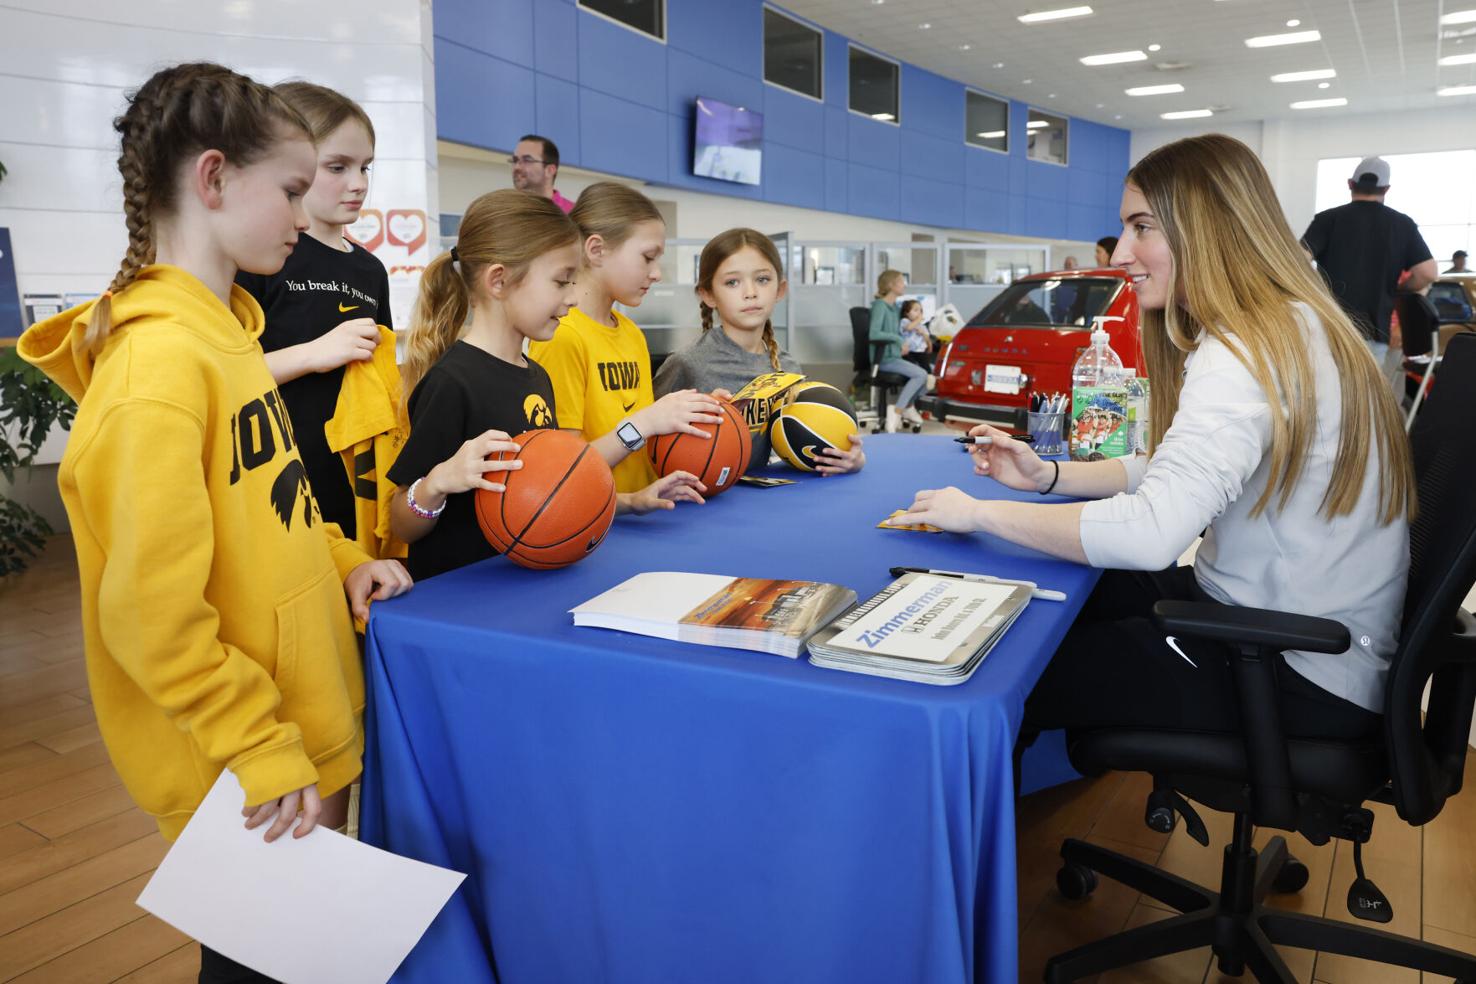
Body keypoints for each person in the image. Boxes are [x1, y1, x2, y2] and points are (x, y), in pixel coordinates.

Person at [16, 62, 413, 984]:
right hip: (245, 767)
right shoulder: (155, 371)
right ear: (212, 178)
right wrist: (260, 747)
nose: (305, 208)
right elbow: (151, 615)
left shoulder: (228, 332)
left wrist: (346, 558)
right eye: (291, 187)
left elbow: (277, 500)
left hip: (295, 726)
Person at [896, 133, 1413, 745]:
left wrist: (979, 512)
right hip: (1275, 619)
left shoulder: (1245, 349)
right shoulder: (1288, 325)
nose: (1120, 253)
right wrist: (1049, 476)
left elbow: (1150, 533)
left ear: (1210, 227)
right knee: (1045, 601)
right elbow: (1177, 470)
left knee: (1002, 669)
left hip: (1294, 667)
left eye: (1143, 227)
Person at [387, 190, 705, 580]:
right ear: (499, 281)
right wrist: (438, 482)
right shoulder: (453, 383)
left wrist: (628, 502)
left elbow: (552, 487)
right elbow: (401, 523)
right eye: (560, 282)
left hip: (525, 583)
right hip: (466, 597)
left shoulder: (536, 374)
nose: (573, 297)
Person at [237, 82, 391, 544]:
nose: (358, 183)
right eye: (337, 167)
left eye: (365, 167)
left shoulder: (369, 268)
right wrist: (312, 353)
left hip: (353, 476)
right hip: (277, 476)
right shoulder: (261, 257)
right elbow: (220, 380)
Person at [528, 182, 724, 494]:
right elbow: (564, 470)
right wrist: (647, 422)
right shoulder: (562, 336)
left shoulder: (631, 333)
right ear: (596, 250)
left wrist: (697, 411)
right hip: (596, 529)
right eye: (648, 257)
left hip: (643, 513)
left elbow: (641, 437)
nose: (657, 273)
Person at [652, 227, 865, 475]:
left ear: (780, 289)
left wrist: (846, 457)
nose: (750, 292)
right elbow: (646, 439)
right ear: (708, 294)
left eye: (762, 279)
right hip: (700, 503)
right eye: (732, 282)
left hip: (763, 503)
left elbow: (801, 446)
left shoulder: (788, 369)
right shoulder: (687, 363)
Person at [1302, 155, 1436, 367]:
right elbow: (1428, 273)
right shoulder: (1402, 224)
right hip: (1375, 330)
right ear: (1386, 189)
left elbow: (1297, 261)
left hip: (1330, 327)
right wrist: (1400, 288)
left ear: (1350, 184)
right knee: (1368, 397)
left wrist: (1316, 288)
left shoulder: (1327, 219)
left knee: (1327, 395)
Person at [868, 269, 929, 429]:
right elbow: (874, 334)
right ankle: (897, 411)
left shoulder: (894, 308)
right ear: (891, 285)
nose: (904, 285)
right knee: (920, 374)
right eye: (901, 281)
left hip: (895, 356)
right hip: (884, 360)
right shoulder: (880, 306)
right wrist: (898, 340)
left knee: (926, 378)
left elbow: (898, 329)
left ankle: (907, 408)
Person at [510, 134, 574, 213]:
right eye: (515, 160)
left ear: (550, 170)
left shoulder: (573, 214)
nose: (517, 167)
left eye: (527, 160)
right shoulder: (505, 212)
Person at [898, 298, 934, 374]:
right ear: (907, 313)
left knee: (927, 369)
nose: (919, 313)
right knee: (913, 368)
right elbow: (908, 328)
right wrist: (918, 319)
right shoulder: (905, 321)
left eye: (920, 310)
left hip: (921, 352)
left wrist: (923, 334)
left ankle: (928, 380)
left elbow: (927, 339)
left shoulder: (922, 326)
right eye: (916, 310)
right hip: (909, 351)